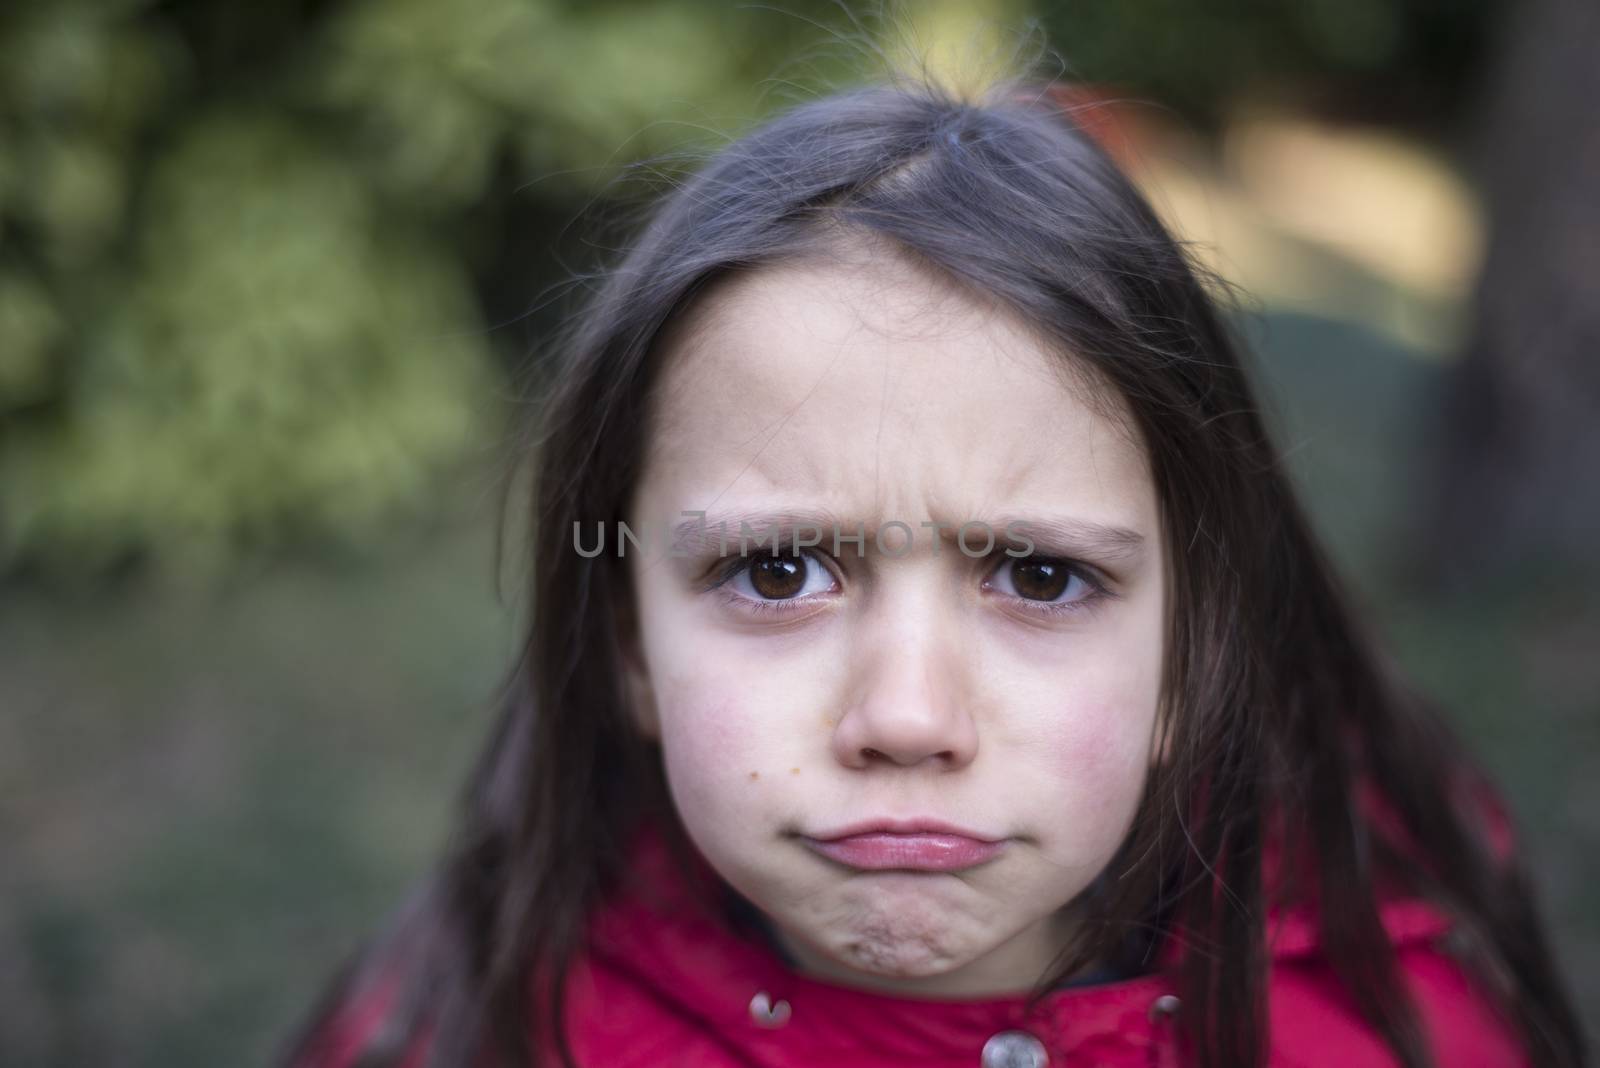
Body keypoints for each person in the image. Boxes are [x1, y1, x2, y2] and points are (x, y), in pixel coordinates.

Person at [274, 68, 1587, 1068]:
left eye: (1040, 576)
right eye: (780, 573)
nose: (906, 718)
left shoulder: (1402, 1026)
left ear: (1195, 656)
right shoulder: (467, 1021)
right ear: (628, 646)